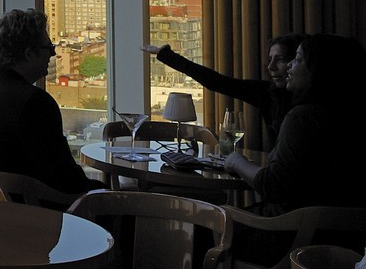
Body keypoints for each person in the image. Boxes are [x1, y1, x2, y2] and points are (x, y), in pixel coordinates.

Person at [0, 8, 93, 196]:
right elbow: (66, 179)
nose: (53, 54)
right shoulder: (34, 102)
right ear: (29, 54)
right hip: (33, 213)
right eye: (49, 48)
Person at [224, 33, 366, 212]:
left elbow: (273, 186)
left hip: (288, 231)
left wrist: (236, 161)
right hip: (340, 235)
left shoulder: (302, 118)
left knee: (205, 225)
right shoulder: (351, 117)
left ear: (319, 70)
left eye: (297, 59)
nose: (290, 65)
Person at [143, 33, 303, 145]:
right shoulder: (268, 94)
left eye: (280, 59)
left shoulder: (312, 107)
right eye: (270, 59)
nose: (271, 67)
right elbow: (217, 82)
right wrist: (167, 56)